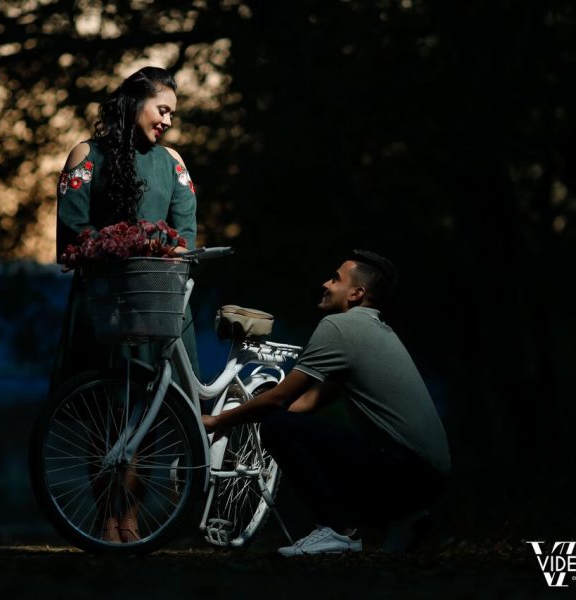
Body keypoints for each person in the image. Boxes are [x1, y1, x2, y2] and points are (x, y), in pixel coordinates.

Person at [202, 249, 451, 556]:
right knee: (284, 425)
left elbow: (281, 399)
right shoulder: (375, 330)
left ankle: (337, 530)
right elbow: (307, 403)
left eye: (336, 279)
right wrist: (252, 416)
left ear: (357, 293)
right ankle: (407, 520)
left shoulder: (339, 326)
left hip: (405, 471)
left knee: (276, 425)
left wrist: (216, 421)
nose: (325, 283)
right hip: (430, 480)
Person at [50, 66, 199, 543]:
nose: (168, 121)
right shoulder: (86, 155)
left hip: (157, 301)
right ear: (135, 102)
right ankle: (104, 519)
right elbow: (72, 232)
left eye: (173, 113)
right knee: (108, 412)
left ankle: (131, 519)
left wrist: (160, 248)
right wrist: (119, 244)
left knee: (150, 410)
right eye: (162, 109)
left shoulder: (173, 163)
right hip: (107, 301)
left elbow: (186, 235)